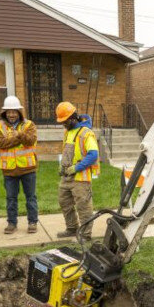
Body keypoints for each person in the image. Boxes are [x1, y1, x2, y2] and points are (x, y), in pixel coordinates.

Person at [0, 96, 38, 234]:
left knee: (30, 197)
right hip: (9, 170)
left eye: (14, 111)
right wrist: (19, 136)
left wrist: (18, 136)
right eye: (9, 112)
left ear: (19, 112)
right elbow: (1, 143)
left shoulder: (29, 125)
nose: (11, 115)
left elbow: (30, 141)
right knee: (11, 198)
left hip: (28, 168)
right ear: (4, 113)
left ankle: (32, 222)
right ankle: (12, 223)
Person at [55, 102, 99, 241]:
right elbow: (68, 151)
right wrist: (62, 166)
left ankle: (86, 235)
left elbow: (93, 154)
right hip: (67, 176)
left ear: (73, 118)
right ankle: (72, 228)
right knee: (64, 202)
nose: (64, 124)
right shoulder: (67, 131)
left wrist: (76, 168)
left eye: (65, 121)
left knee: (83, 206)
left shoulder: (86, 133)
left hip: (81, 177)